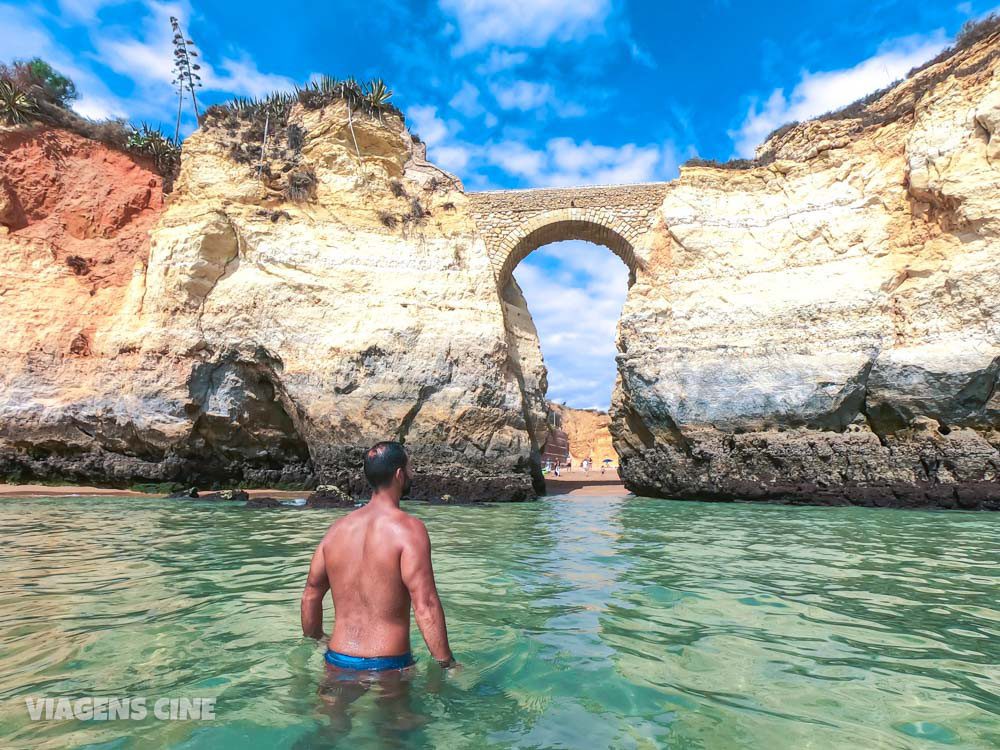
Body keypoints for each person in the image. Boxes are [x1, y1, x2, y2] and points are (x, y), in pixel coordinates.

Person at [301, 441, 456, 672]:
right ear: (399, 474)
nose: (412, 474)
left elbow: (310, 596)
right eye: (410, 468)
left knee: (329, 709)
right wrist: (447, 664)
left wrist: (317, 640)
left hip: (337, 659)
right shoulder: (409, 530)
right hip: (388, 664)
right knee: (403, 710)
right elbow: (425, 605)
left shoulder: (336, 530)